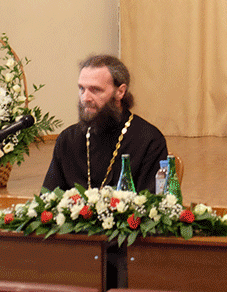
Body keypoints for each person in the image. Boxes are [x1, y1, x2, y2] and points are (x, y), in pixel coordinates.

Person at [42, 54, 168, 193]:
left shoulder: (149, 140)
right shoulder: (68, 140)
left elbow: (152, 202)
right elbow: (47, 198)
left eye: (95, 90)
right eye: (82, 88)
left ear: (120, 92)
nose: (85, 98)